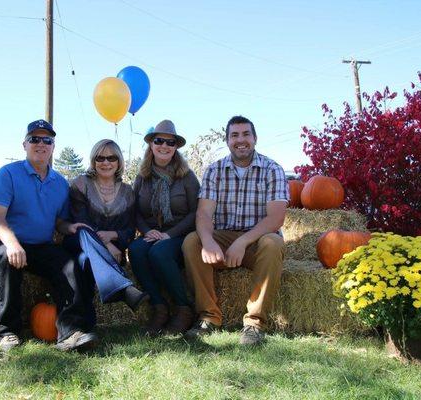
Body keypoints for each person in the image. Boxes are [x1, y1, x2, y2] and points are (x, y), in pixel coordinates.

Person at [0, 119, 96, 352]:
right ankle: (9, 332)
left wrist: (69, 228)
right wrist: (13, 244)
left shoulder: (60, 183)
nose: (41, 143)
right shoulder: (8, 174)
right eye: (35, 139)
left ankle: (70, 333)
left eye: (47, 140)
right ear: (24, 144)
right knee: (5, 257)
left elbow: (59, 221)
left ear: (53, 147)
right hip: (3, 242)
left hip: (39, 245)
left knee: (69, 264)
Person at [183, 115, 289, 346]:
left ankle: (254, 324)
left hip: (257, 241)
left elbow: (276, 218)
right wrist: (209, 241)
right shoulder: (214, 171)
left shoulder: (273, 170)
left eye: (245, 134)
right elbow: (203, 214)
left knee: (274, 242)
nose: (240, 140)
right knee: (192, 241)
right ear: (227, 140)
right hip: (223, 238)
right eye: (234, 135)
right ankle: (208, 317)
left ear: (255, 138)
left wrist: (242, 242)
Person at [62, 139, 148, 323]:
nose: (106, 162)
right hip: (79, 241)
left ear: (119, 162)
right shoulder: (80, 184)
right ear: (93, 161)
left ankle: (85, 322)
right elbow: (81, 222)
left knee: (85, 261)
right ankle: (122, 287)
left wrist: (114, 236)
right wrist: (107, 244)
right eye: (100, 158)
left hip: (107, 253)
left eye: (111, 158)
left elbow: (129, 230)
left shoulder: (127, 192)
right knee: (84, 233)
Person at [128, 120, 200, 335]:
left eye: (171, 142)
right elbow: (135, 210)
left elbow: (196, 212)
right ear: (151, 144)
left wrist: (169, 235)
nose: (165, 146)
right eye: (159, 141)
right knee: (136, 249)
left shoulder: (186, 176)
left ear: (176, 147)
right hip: (152, 233)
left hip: (180, 234)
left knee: (159, 252)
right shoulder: (143, 176)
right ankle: (159, 308)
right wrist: (145, 230)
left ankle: (184, 308)